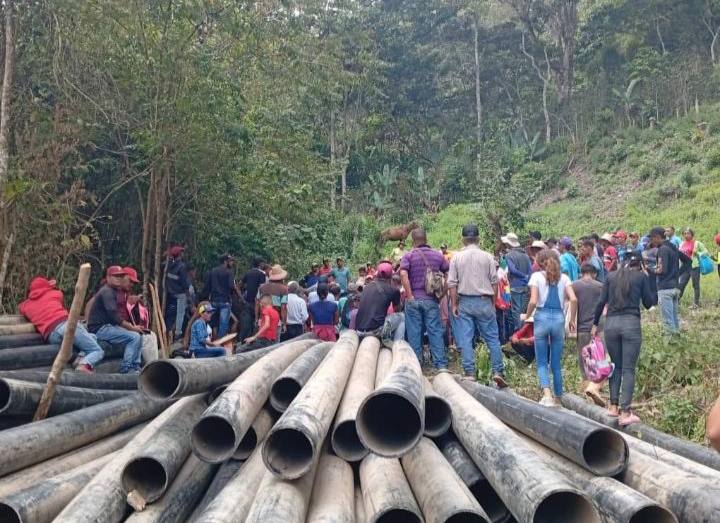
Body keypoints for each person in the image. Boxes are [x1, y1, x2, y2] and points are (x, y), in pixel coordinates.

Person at [592, 251, 655, 426]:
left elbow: (600, 302)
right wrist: (648, 277)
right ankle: (626, 411)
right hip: (630, 324)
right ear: (640, 264)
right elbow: (649, 303)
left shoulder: (611, 277)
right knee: (628, 369)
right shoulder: (641, 277)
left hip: (611, 324)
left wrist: (595, 324)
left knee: (615, 366)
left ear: (621, 261)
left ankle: (613, 407)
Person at [449, 225, 506, 385]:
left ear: (463, 240)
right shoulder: (488, 257)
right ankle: (498, 371)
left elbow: (452, 284)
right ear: (478, 239)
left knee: (466, 338)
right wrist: (493, 303)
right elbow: (495, 283)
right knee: (492, 339)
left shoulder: (456, 258)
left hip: (465, 301)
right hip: (484, 300)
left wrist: (454, 304)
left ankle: (469, 372)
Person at [523, 249, 577, 407]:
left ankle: (547, 396)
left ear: (540, 262)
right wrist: (572, 319)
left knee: (541, 361)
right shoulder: (565, 278)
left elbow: (533, 301)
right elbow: (573, 299)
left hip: (542, 318)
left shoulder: (536, 277)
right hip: (559, 319)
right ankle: (558, 398)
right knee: (556, 363)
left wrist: (527, 316)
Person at [19, 276, 106, 373]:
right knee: (97, 351)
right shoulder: (56, 294)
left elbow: (21, 307)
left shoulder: (25, 306)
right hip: (66, 325)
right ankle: (84, 364)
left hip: (51, 336)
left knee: (92, 336)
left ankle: (79, 359)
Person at [400, 228, 449, 371]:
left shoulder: (408, 256)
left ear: (413, 241)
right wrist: (442, 294)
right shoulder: (438, 256)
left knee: (415, 332)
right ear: (426, 239)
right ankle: (440, 365)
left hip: (414, 299)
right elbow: (449, 275)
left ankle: (417, 365)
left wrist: (409, 296)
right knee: (435, 331)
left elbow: (403, 275)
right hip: (431, 300)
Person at [87, 266, 143, 374]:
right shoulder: (107, 292)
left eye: (121, 276)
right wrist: (132, 327)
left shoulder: (114, 291)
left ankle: (136, 365)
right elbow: (115, 317)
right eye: (116, 276)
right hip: (99, 328)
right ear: (108, 278)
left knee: (138, 335)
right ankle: (127, 367)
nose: (119, 279)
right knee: (134, 337)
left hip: (108, 327)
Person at [573, 263, 605, 405]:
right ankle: (596, 386)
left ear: (582, 272)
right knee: (599, 357)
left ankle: (586, 385)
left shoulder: (575, 286)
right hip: (599, 328)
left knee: (583, 357)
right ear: (594, 273)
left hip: (581, 327)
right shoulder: (600, 286)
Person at [355, 262, 404, 343]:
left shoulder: (367, 286)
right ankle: (397, 344)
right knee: (402, 317)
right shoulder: (393, 290)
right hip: (375, 331)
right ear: (391, 276)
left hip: (359, 330)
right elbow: (398, 310)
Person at [649, 227, 681, 334]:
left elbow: (662, 270)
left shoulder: (662, 249)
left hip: (665, 289)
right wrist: (677, 274)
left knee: (668, 321)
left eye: (652, 239)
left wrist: (649, 269)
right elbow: (688, 261)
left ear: (657, 237)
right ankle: (678, 343)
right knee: (675, 319)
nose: (651, 242)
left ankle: (671, 344)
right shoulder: (673, 247)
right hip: (675, 287)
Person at [502, 232, 533, 332]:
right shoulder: (526, 255)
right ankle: (524, 330)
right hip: (526, 285)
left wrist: (522, 276)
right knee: (523, 310)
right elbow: (530, 269)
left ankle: (518, 331)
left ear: (509, 244)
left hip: (515, 286)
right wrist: (526, 278)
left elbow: (512, 270)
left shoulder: (508, 255)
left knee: (515, 310)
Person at [201, 254, 236, 337]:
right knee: (223, 324)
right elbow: (231, 286)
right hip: (225, 301)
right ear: (225, 261)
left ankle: (210, 339)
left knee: (212, 321)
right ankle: (220, 342)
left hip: (213, 300)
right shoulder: (229, 272)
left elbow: (208, 285)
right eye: (229, 261)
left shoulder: (213, 271)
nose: (231, 263)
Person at [163, 245, 191, 342]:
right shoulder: (182, 266)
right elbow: (185, 284)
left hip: (171, 293)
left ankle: (169, 330)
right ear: (180, 254)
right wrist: (189, 298)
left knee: (171, 314)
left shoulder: (168, 264)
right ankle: (178, 333)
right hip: (180, 294)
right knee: (180, 313)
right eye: (182, 252)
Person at [678, 227, 708, 308]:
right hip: (684, 267)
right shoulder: (681, 244)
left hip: (694, 266)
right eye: (684, 233)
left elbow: (706, 252)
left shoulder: (697, 243)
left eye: (688, 233)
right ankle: (676, 301)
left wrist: (697, 252)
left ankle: (696, 304)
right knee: (681, 284)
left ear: (692, 234)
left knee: (695, 285)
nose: (686, 235)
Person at [240, 256, 267, 325]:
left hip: (247, 301)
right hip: (257, 303)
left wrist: (241, 296)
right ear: (260, 264)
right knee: (257, 323)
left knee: (246, 325)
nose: (264, 265)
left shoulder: (248, 272)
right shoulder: (262, 274)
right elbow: (262, 288)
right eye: (263, 263)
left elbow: (239, 284)